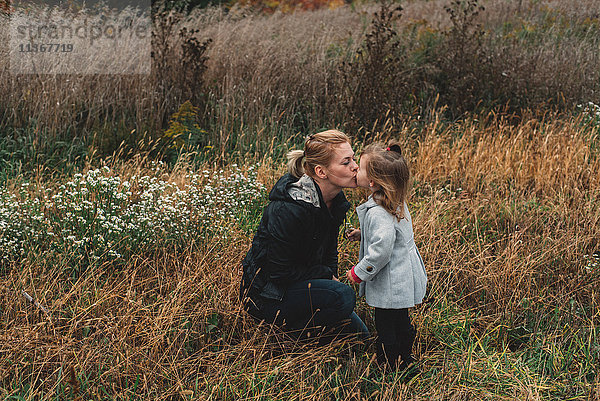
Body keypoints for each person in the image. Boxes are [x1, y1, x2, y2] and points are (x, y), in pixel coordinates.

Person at [240, 130, 369, 343]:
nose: (355, 166)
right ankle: (287, 339)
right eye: (346, 162)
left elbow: (329, 251)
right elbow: (279, 272)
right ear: (321, 171)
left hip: (300, 282)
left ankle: (317, 323)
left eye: (353, 159)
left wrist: (329, 276)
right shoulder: (289, 209)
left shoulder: (335, 200)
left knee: (360, 337)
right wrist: (327, 277)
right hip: (269, 294)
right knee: (342, 297)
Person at [346, 143, 427, 372]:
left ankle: (390, 365)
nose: (354, 171)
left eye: (359, 168)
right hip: (403, 274)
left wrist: (358, 272)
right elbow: (393, 233)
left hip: (390, 279)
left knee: (385, 324)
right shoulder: (394, 200)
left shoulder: (378, 212)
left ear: (372, 182)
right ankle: (406, 357)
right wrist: (364, 234)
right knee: (400, 318)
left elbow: (381, 250)